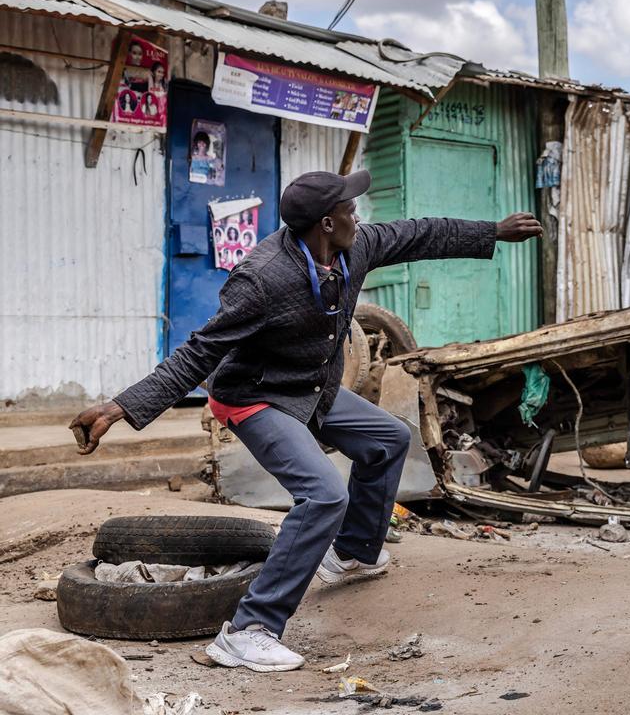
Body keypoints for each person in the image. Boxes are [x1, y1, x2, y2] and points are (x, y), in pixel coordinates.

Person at [70, 169, 542, 673]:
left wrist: (491, 231)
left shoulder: (352, 247)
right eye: (349, 209)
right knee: (323, 493)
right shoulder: (262, 278)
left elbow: (417, 233)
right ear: (325, 222)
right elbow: (199, 353)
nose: (357, 215)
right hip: (254, 396)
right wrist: (121, 406)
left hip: (309, 387)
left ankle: (354, 552)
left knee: (388, 438)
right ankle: (249, 631)